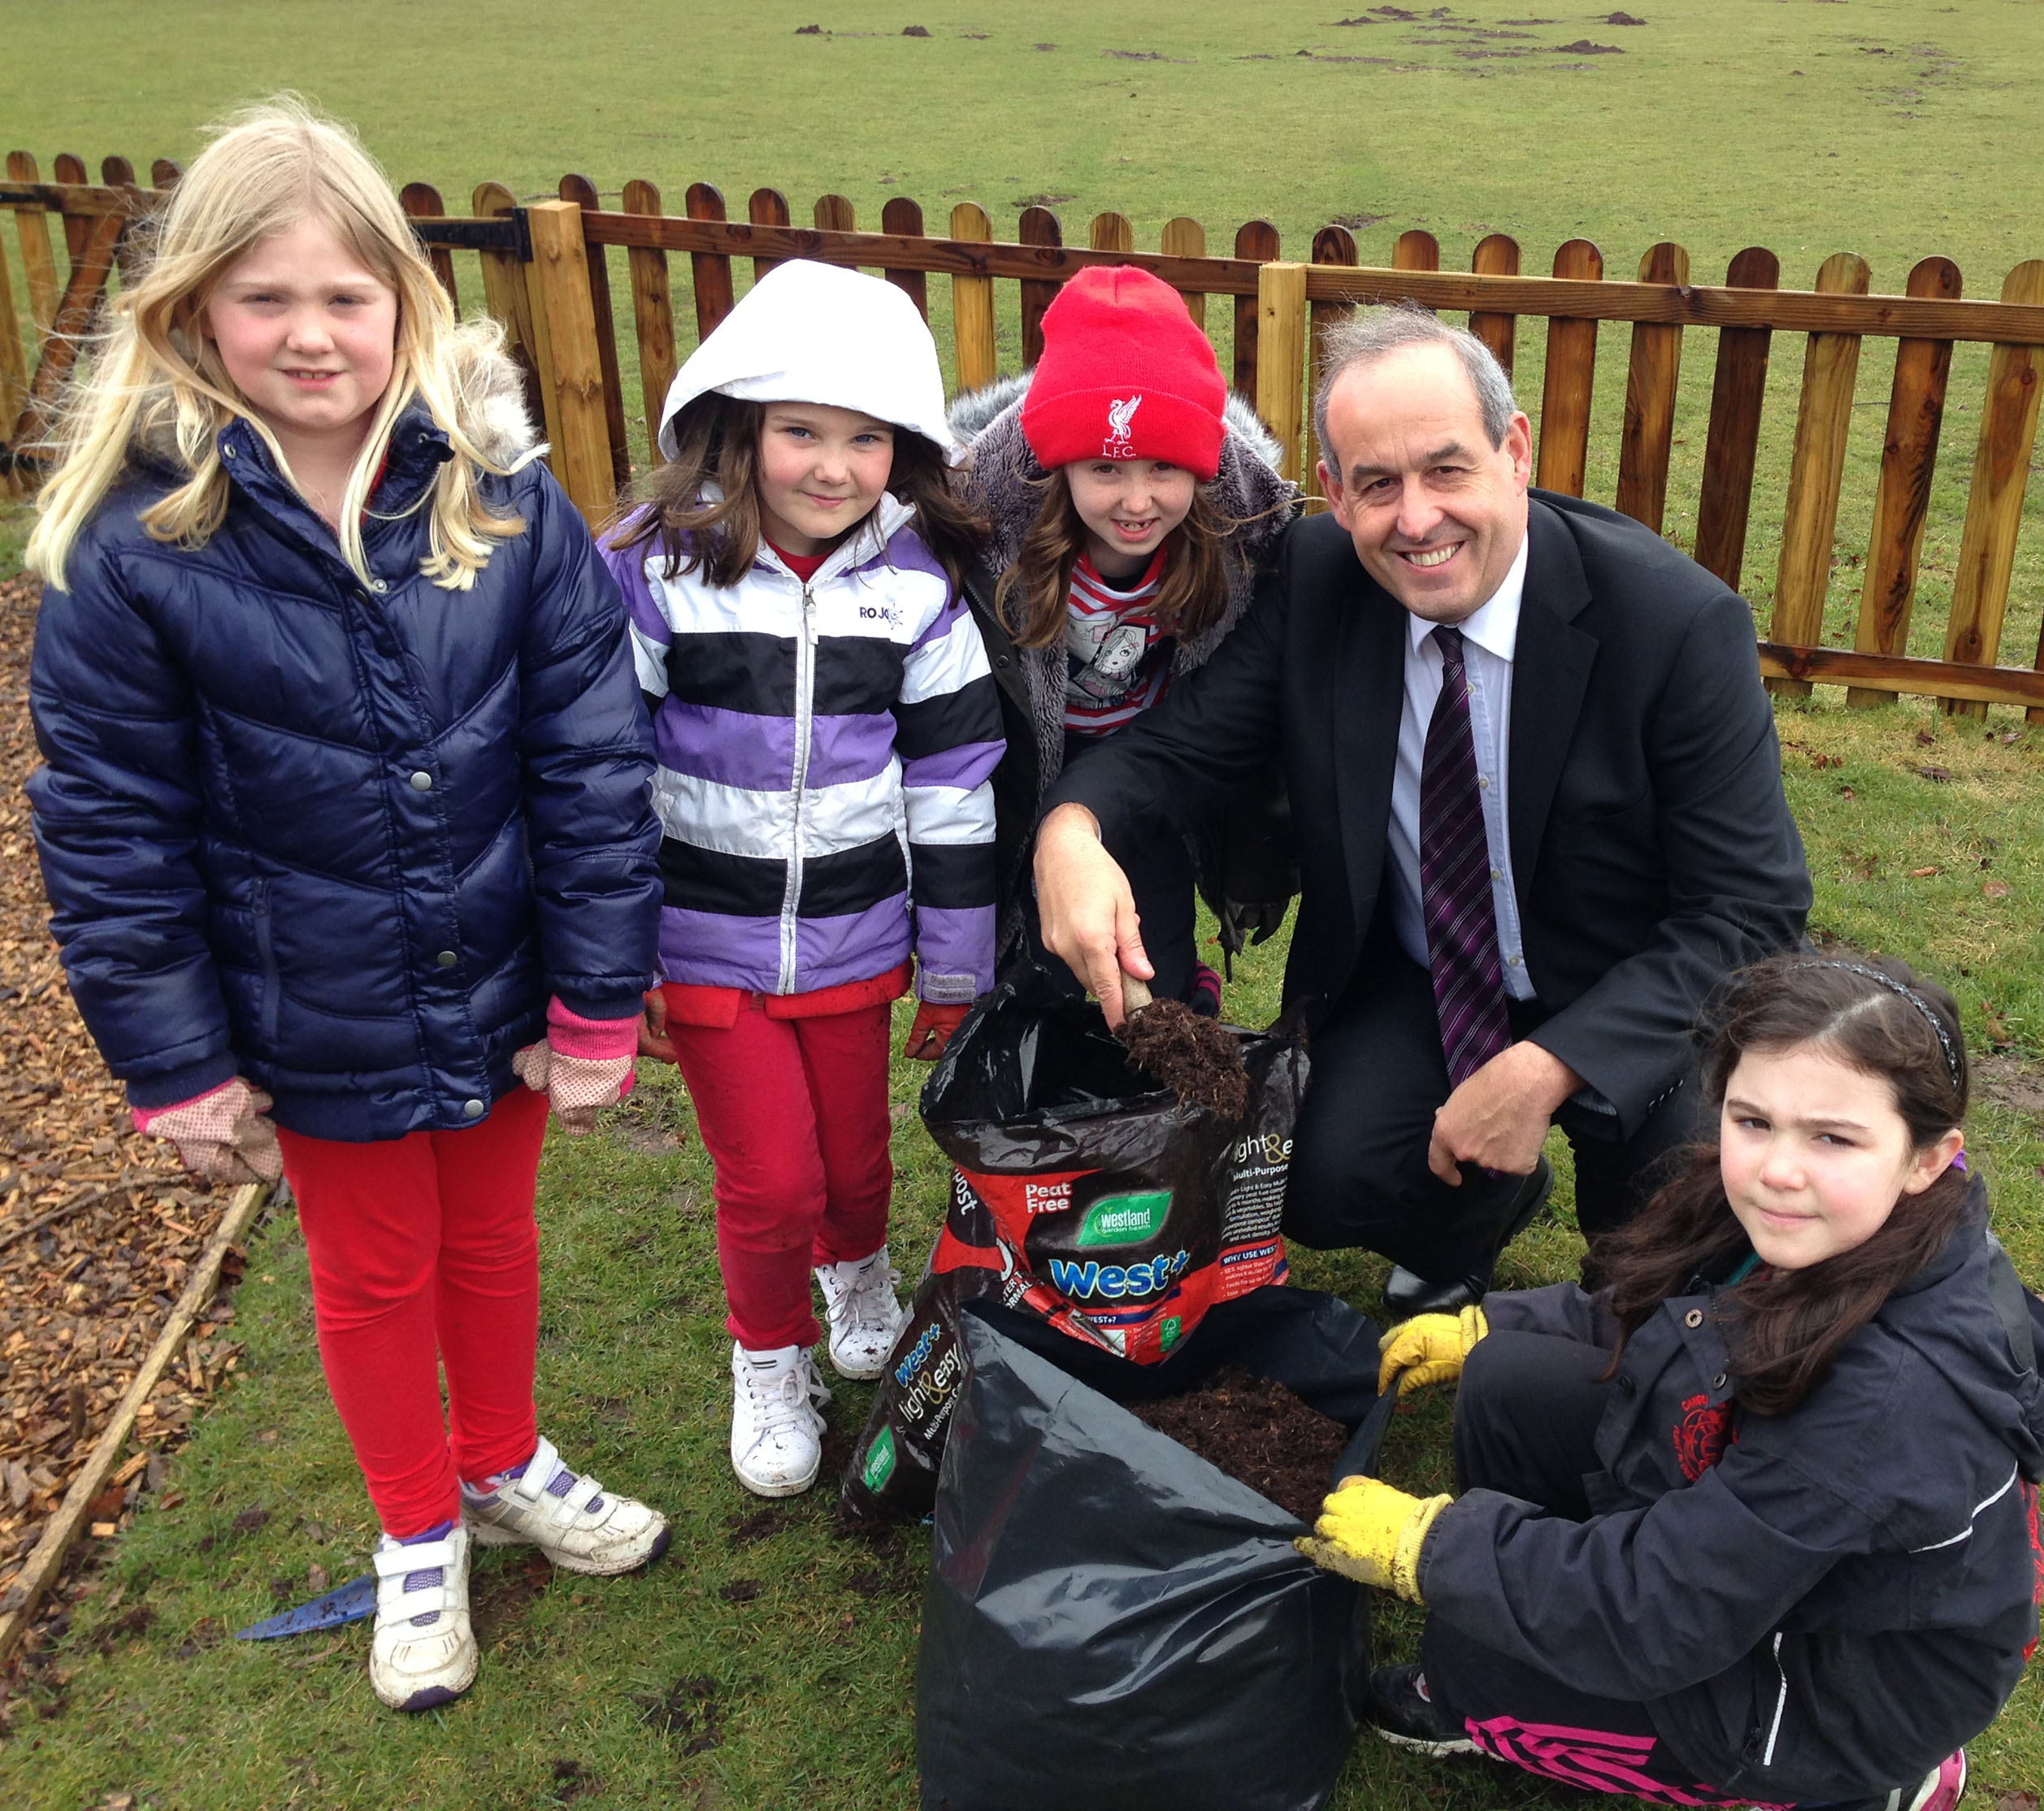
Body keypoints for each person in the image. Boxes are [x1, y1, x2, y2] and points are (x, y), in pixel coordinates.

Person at [24, 102, 669, 1713]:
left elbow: (593, 762)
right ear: (190, 313)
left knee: (494, 1237)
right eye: (265, 299)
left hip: (507, 976)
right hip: (308, 1009)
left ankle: (504, 1455)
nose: (311, 335)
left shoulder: (507, 500)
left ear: (405, 303)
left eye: (345, 296)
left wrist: (597, 995)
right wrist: (175, 1066)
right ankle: (413, 1538)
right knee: (375, 1274)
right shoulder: (136, 549)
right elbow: (112, 834)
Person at [1035, 305, 1812, 1313]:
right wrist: (1072, 830)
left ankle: (1633, 1253)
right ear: (1334, 491)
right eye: (1376, 484)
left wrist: (1544, 1070)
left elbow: (1748, 911)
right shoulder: (1316, 582)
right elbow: (1180, 748)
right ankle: (1480, 1213)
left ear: (1515, 450)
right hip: (1429, 974)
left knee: (1675, 1247)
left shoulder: (1678, 623)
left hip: (1641, 991)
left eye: (1447, 470)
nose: (1415, 519)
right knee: (1318, 1175)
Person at [1293, 956, 2044, 1809]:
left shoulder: (1890, 1398)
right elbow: (1660, 1305)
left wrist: (1435, 1548)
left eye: (1833, 1136)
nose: (1778, 1168)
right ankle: (1533, 1610)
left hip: (1831, 1682)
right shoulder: (1817, 1219)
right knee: (1507, 1380)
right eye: (1752, 1119)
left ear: (1927, 1158)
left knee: (1479, 1653)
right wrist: (1493, 1324)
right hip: (1766, 1539)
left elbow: (1659, 1608)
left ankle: (1869, 1786)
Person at [599, 258, 1005, 1497]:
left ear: (905, 449)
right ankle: (767, 1359)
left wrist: (953, 962)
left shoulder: (918, 589)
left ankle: (859, 1272)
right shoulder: (653, 573)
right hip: (705, 947)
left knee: (855, 1161)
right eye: (799, 432)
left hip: (852, 938)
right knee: (768, 1181)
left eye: (865, 438)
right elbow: (599, 777)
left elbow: (951, 782)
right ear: (734, 423)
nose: (831, 467)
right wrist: (615, 969)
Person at [950, 263, 1296, 1017]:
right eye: (1105, 467)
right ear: (1058, 462)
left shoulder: (1239, 538)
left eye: (1165, 467)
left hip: (1150, 766)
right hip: (1016, 771)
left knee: (1150, 940)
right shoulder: (984, 534)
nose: (1137, 502)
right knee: (1034, 965)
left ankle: (1182, 1001)